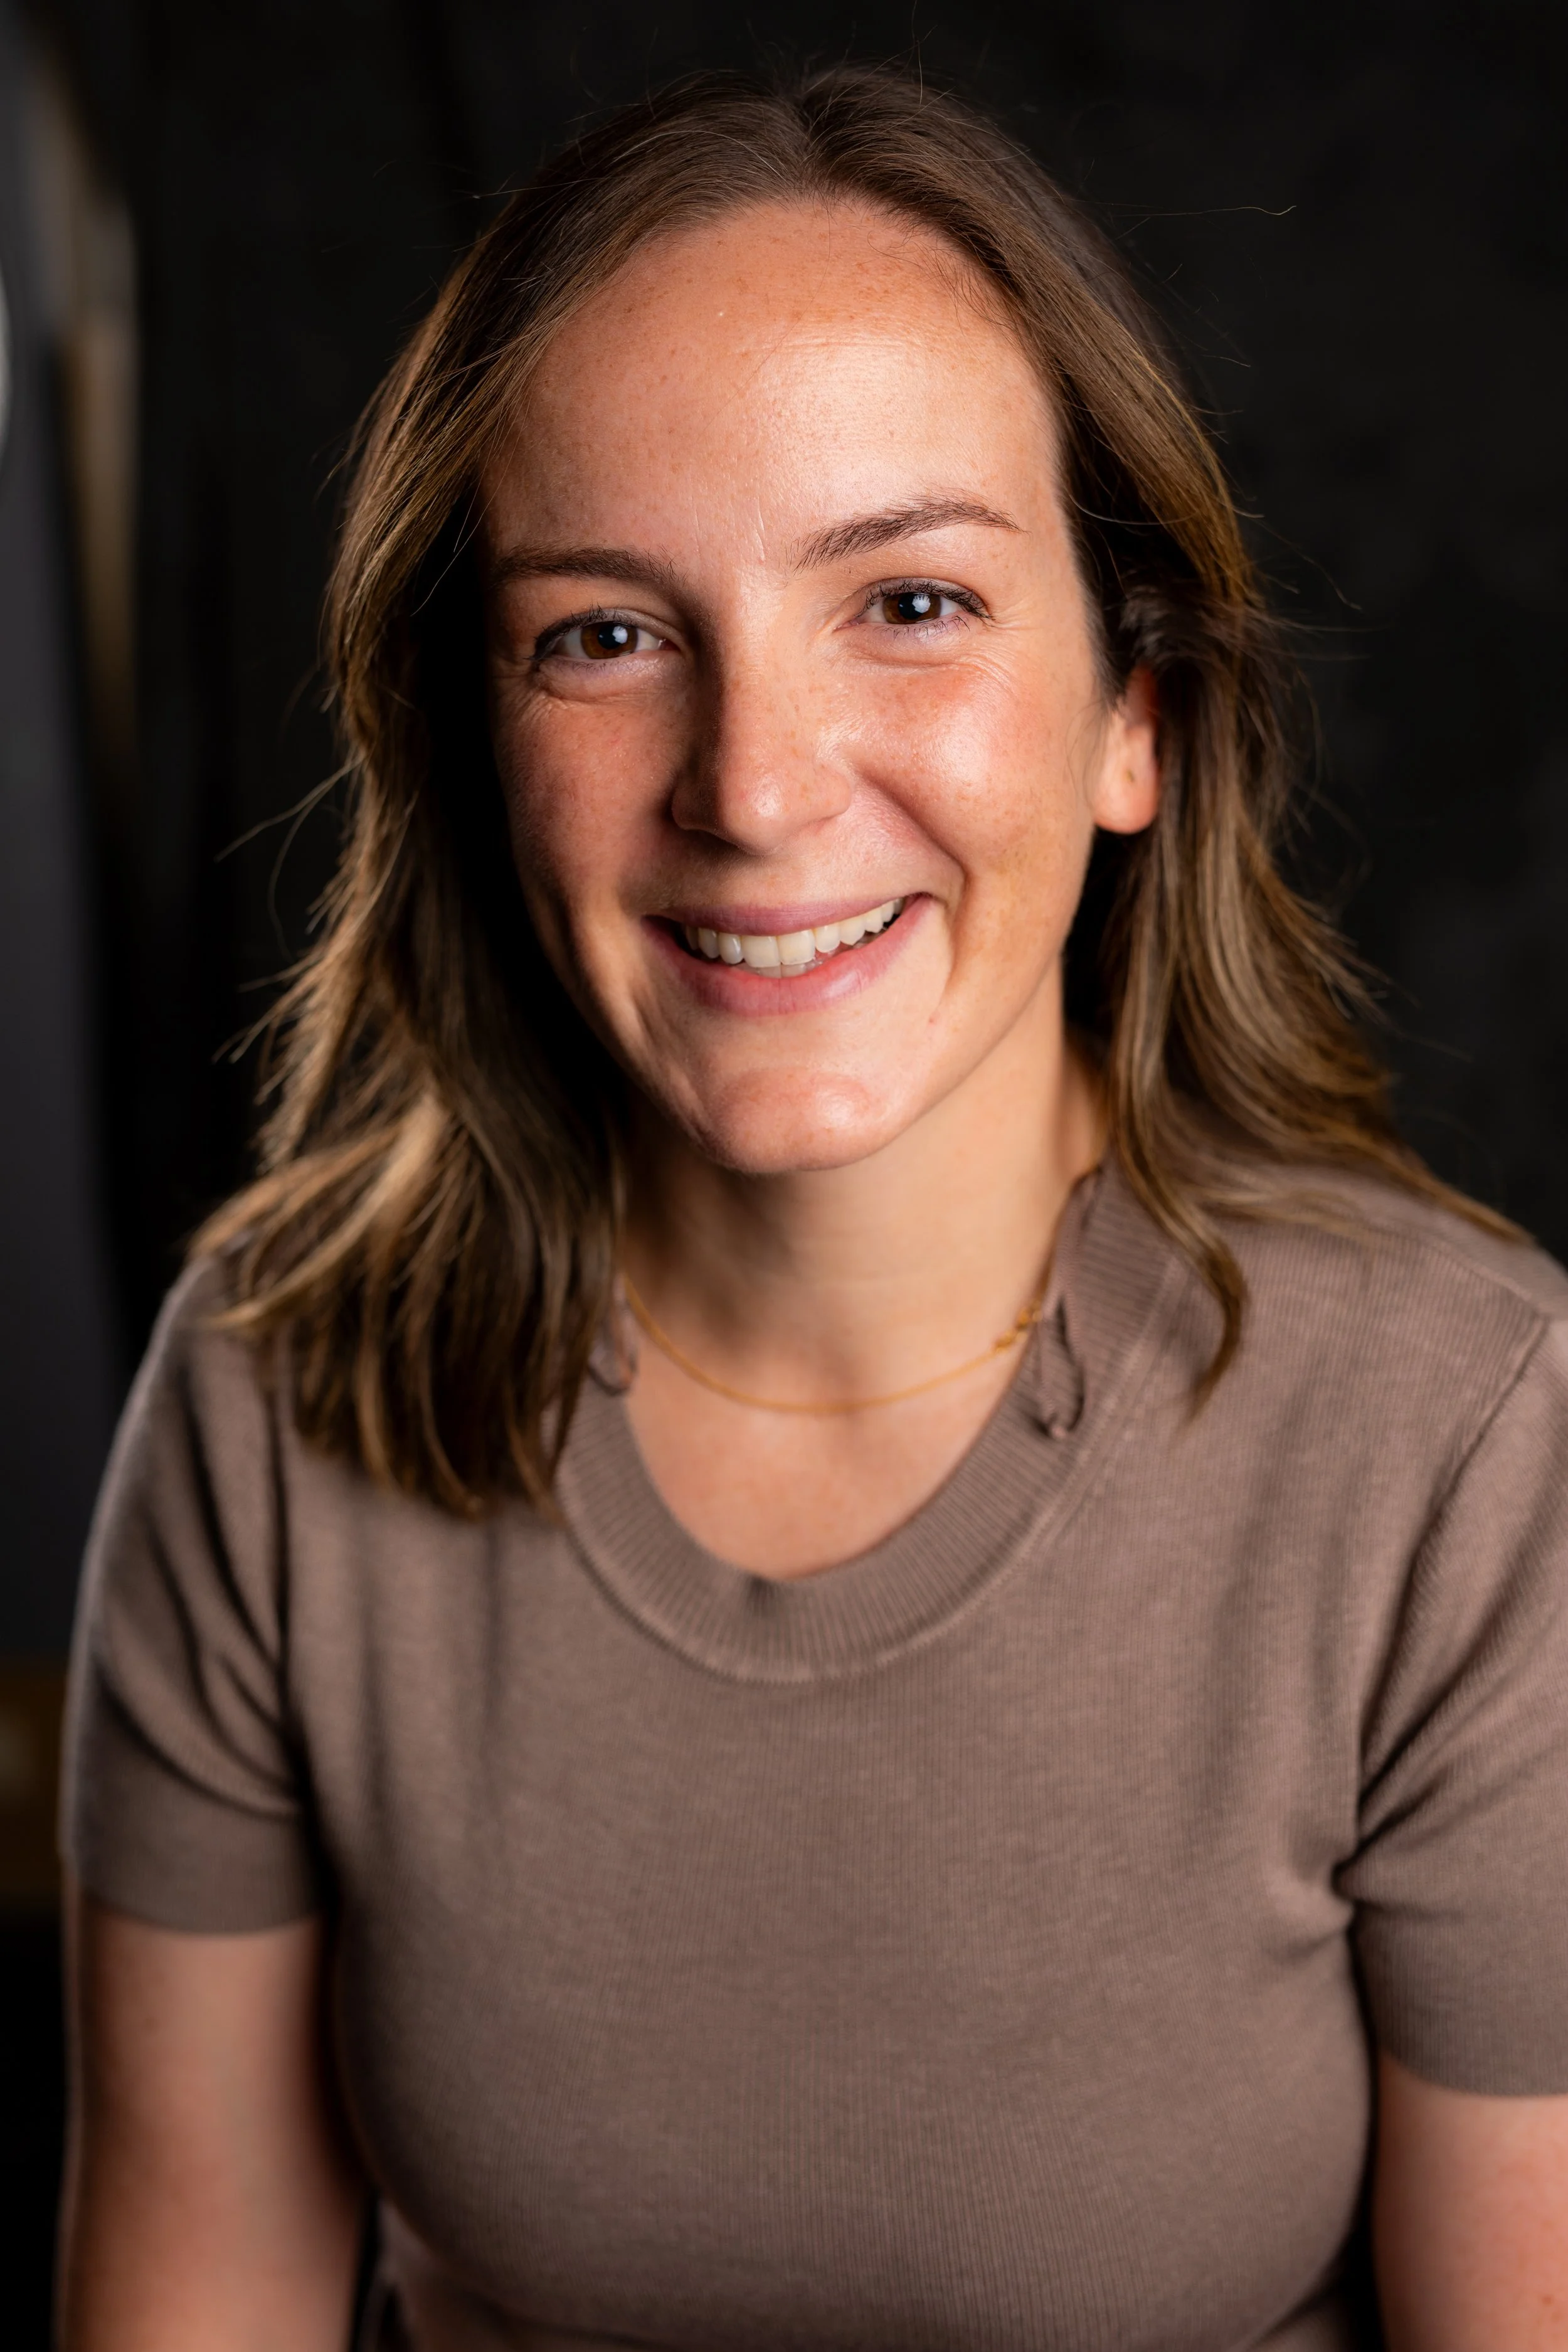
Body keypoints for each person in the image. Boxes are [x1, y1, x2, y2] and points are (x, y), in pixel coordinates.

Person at [57, 65, 1568, 2352]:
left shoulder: (1462, 1444)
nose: (754, 786)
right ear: (476, 739)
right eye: (603, 633)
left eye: (912, 599)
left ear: (1131, 715)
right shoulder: (276, 1397)